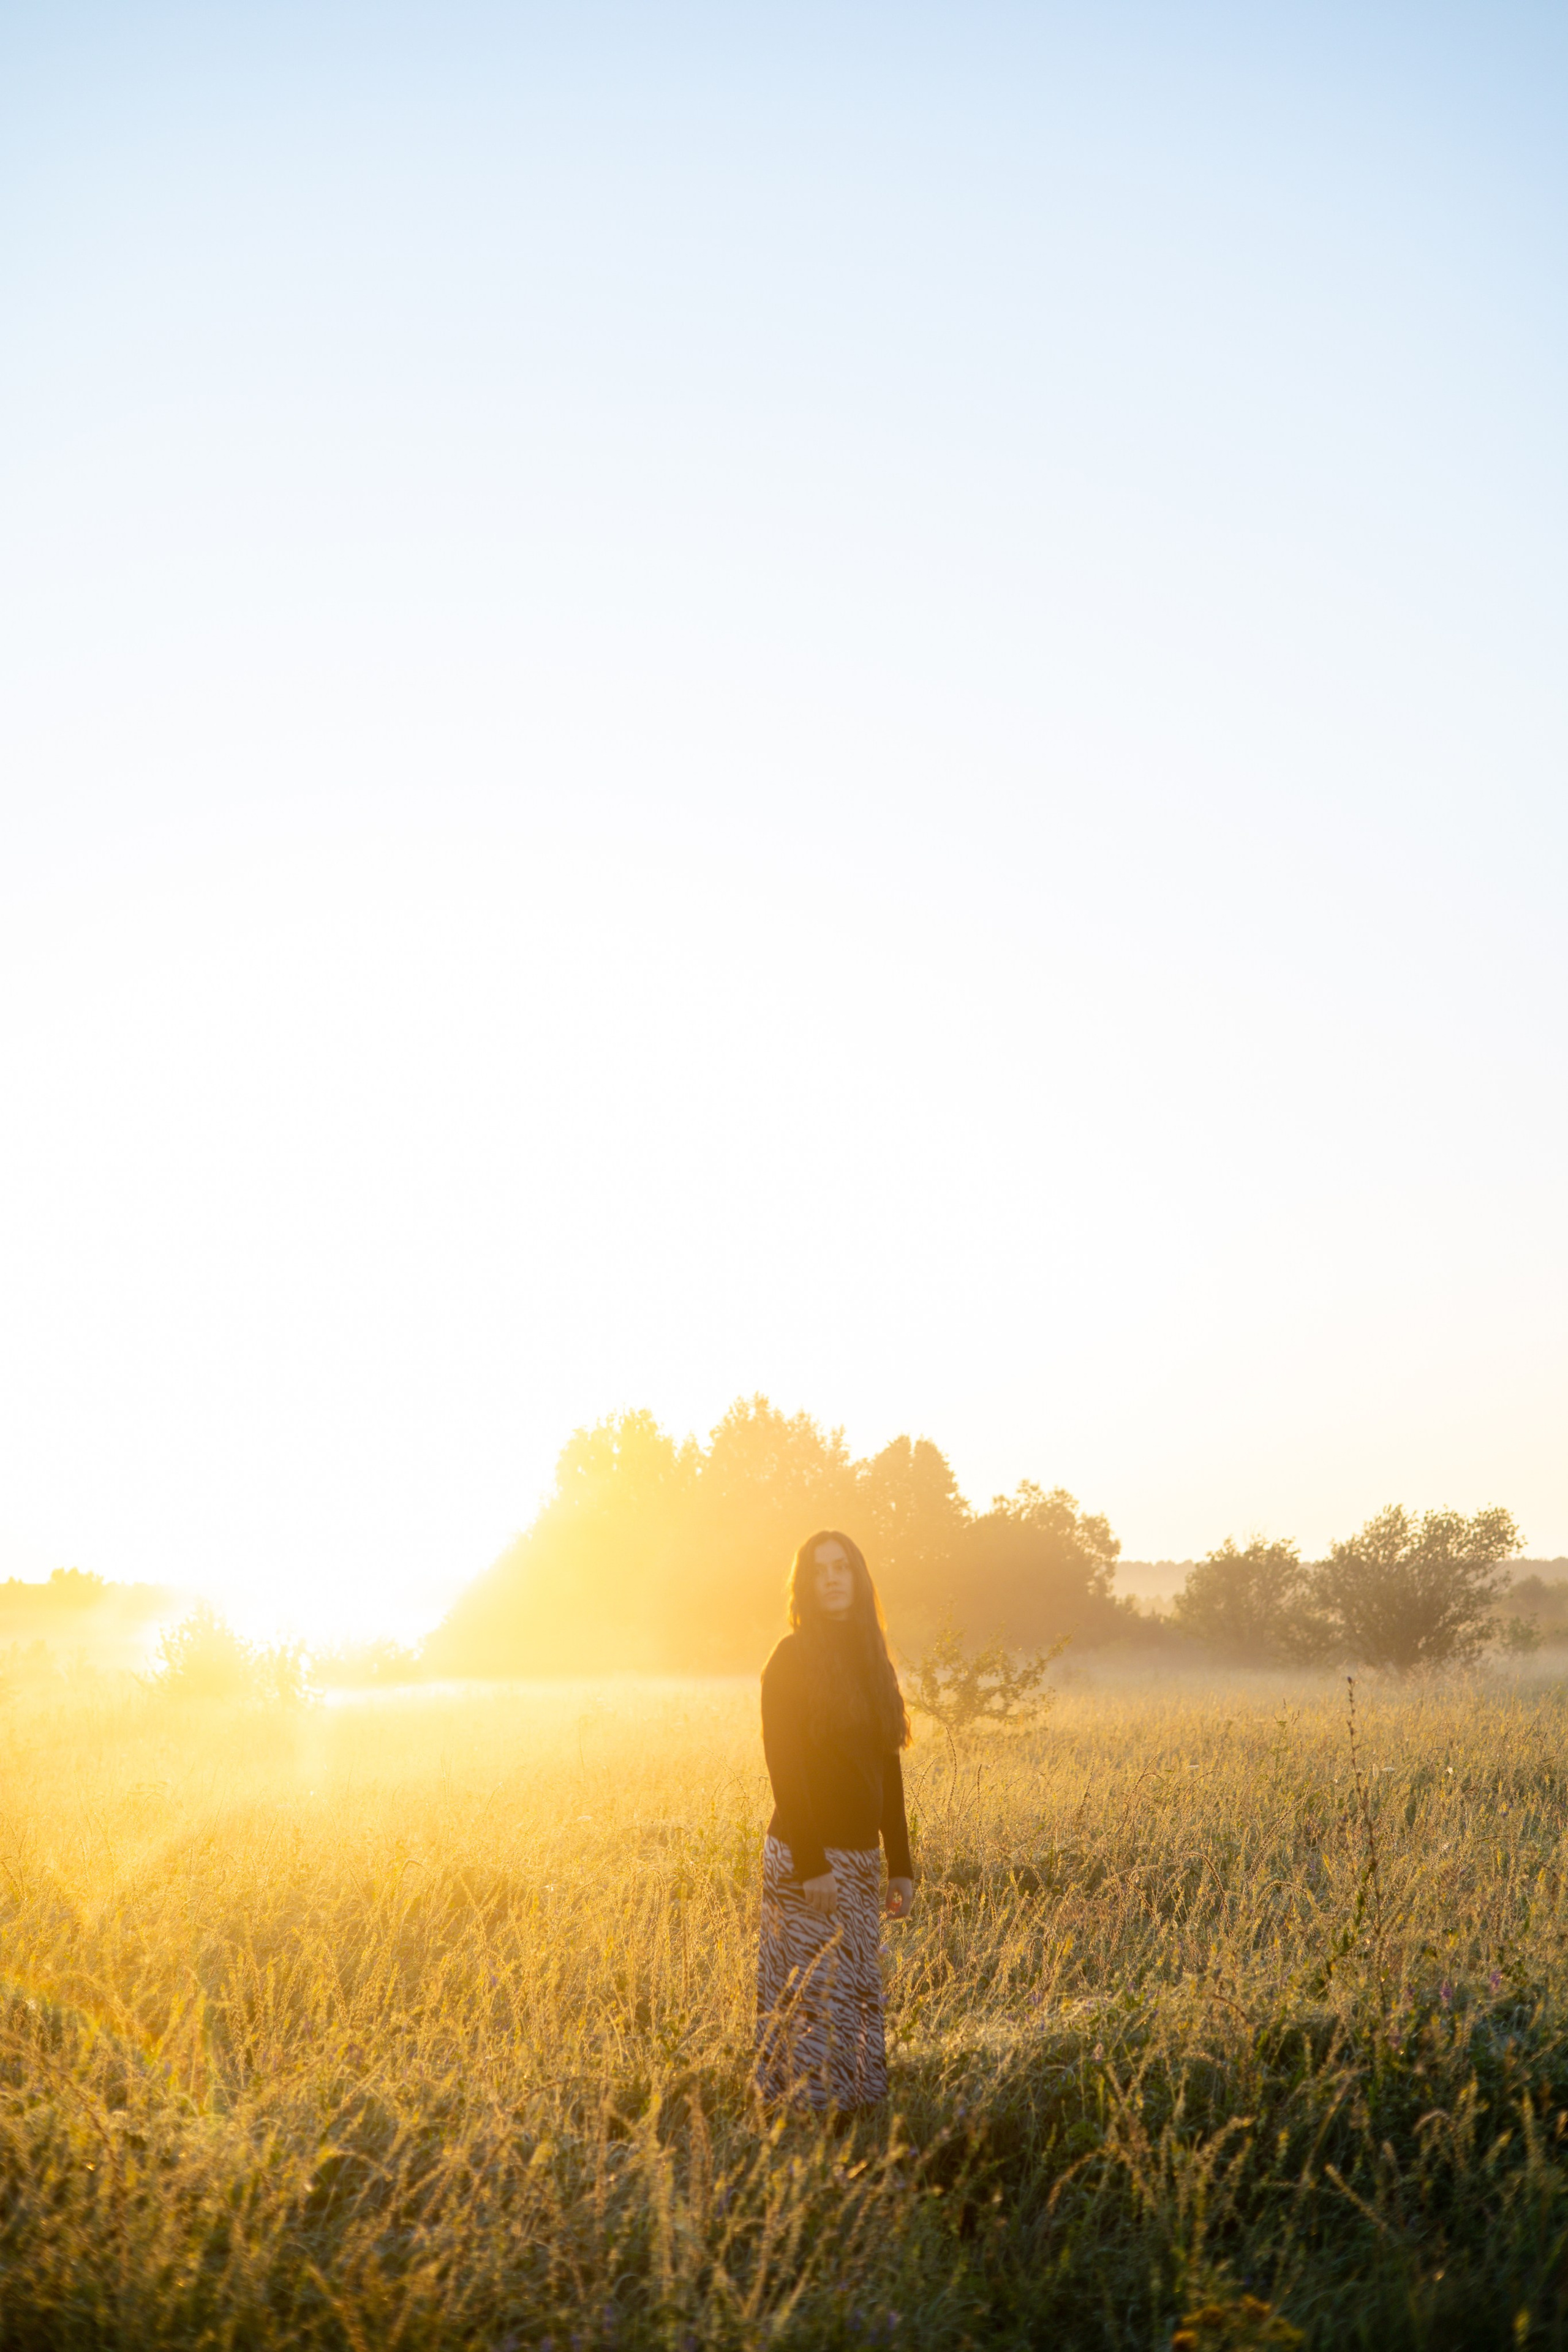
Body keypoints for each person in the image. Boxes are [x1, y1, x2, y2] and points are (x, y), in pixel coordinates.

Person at [755, 1529, 915, 2114]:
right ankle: (802, 2123)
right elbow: (785, 1767)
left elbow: (888, 1769)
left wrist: (900, 1865)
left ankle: (851, 2114)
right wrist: (811, 1863)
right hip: (808, 1858)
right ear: (806, 1584)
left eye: (841, 1568)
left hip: (862, 1859)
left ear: (858, 1578)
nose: (831, 1579)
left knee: (854, 1992)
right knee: (811, 1999)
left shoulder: (874, 1660)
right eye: (820, 1571)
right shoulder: (790, 1659)